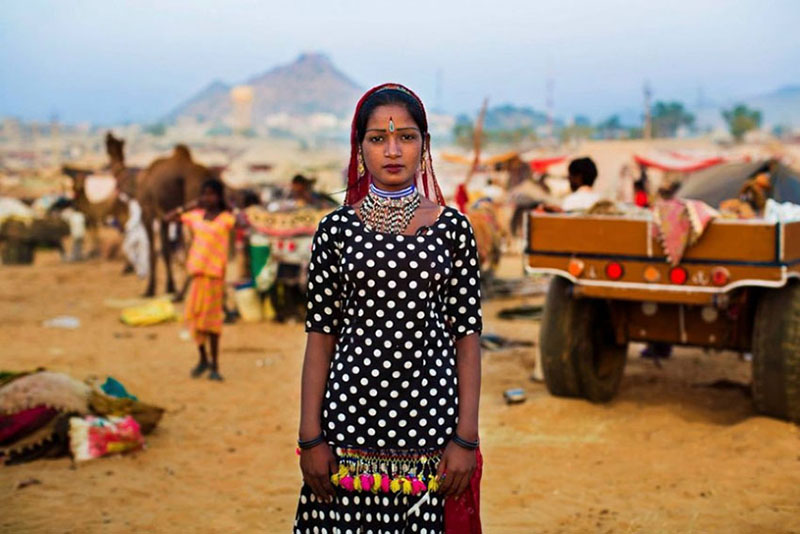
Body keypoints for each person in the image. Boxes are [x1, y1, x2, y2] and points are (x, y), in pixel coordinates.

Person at [295, 84, 483, 534]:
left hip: (431, 427)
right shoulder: (335, 230)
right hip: (347, 426)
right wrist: (310, 437)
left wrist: (466, 438)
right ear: (360, 147)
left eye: (407, 137)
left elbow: (467, 337)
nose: (393, 151)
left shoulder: (453, 229)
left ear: (425, 144)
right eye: (378, 138)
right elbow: (321, 335)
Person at [166, 179, 236, 381]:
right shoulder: (195, 216)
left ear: (219, 196)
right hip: (197, 276)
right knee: (196, 320)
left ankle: (215, 365)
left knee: (212, 323)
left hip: (214, 277)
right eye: (205, 194)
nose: (208, 198)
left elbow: (242, 221)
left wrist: (229, 206)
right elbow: (168, 218)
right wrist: (190, 205)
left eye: (212, 194)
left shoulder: (225, 219)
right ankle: (203, 359)